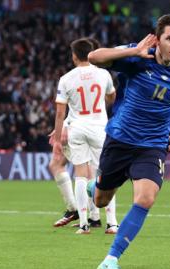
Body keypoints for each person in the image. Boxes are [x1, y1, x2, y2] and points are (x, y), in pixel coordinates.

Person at [87, 14, 170, 269]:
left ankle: (111, 259)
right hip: (121, 139)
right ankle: (97, 185)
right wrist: (133, 50)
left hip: (153, 144)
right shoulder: (137, 58)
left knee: (146, 198)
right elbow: (93, 58)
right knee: (101, 199)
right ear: (157, 39)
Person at [52, 38, 118, 235]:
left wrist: (57, 138)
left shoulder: (66, 78)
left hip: (78, 128)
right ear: (91, 53)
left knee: (80, 174)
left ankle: (84, 224)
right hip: (99, 127)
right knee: (104, 174)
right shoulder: (103, 74)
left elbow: (59, 113)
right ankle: (112, 224)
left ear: (74, 56)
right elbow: (112, 97)